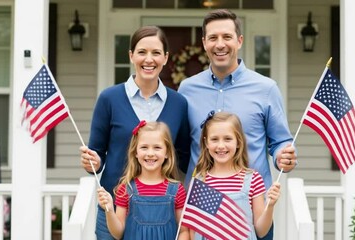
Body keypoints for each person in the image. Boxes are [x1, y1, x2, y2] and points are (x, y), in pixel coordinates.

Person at [177, 9, 297, 239]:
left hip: (251, 207)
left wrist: (284, 154)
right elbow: (181, 146)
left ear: (239, 40)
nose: (220, 44)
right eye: (212, 38)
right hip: (202, 208)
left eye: (227, 37)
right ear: (204, 43)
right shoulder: (187, 89)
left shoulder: (266, 88)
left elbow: (281, 140)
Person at [80, 26, 190, 239]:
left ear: (166, 58)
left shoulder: (179, 104)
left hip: (162, 211)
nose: (149, 59)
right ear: (131, 56)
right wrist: (92, 162)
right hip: (114, 207)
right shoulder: (109, 99)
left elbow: (184, 157)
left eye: (156, 53)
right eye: (142, 52)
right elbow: (97, 155)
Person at [190, 111, 280, 239]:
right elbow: (195, 231)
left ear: (238, 142)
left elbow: (261, 231)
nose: (221, 145)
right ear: (206, 143)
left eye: (227, 139)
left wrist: (270, 206)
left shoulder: (253, 179)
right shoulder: (200, 180)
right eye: (215, 139)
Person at [97, 121, 189, 240]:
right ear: (136, 152)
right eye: (144, 147)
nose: (150, 153)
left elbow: (183, 231)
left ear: (167, 153)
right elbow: (118, 233)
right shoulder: (126, 189)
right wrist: (109, 210)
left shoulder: (177, 190)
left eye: (157, 147)